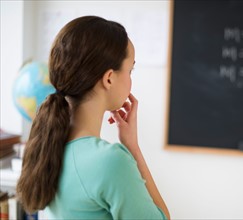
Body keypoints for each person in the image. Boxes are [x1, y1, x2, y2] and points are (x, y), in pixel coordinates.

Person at [16, 15, 170, 219]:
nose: (131, 79)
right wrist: (133, 149)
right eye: (130, 70)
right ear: (108, 78)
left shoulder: (46, 148)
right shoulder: (112, 161)